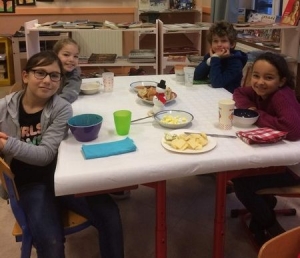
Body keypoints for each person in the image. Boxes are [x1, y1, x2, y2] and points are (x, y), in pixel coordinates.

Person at [0, 51, 124, 258]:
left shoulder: (61, 108)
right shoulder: (6, 106)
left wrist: (6, 144)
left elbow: (46, 155)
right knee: (51, 243)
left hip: (63, 178)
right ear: (25, 76)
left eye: (54, 75)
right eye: (40, 73)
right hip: (30, 185)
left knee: (109, 214)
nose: (47, 80)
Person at [232, 51, 300, 247]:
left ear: (281, 81)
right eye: (256, 76)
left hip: (294, 168)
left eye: (268, 78)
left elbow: (293, 130)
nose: (260, 82)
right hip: (280, 160)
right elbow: (239, 92)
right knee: (242, 171)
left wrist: (257, 116)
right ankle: (265, 207)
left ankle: (272, 228)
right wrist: (252, 108)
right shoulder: (261, 92)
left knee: (242, 184)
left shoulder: (281, 96)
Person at [193, 21, 248, 93]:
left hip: (229, 97)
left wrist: (215, 58)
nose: (219, 44)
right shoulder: (211, 56)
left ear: (232, 44)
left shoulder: (236, 62)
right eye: (215, 41)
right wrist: (210, 60)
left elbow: (216, 83)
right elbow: (196, 76)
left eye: (223, 41)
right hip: (213, 94)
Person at [53, 38, 82, 103]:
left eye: (75, 56)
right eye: (66, 55)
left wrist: (53, 106)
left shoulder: (74, 73)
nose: (71, 59)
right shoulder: (49, 70)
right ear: (55, 55)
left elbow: (70, 93)